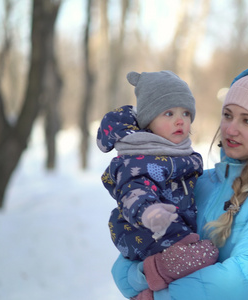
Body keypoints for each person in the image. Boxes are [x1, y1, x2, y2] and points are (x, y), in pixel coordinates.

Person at [111, 66, 248, 300]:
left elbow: (243, 279)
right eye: (227, 115)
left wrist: (158, 296)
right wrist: (152, 271)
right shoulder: (196, 181)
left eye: (247, 121)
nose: (231, 129)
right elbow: (122, 268)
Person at [97, 70, 219, 300]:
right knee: (204, 258)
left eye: (186, 112)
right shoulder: (140, 157)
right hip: (143, 230)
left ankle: (147, 294)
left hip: (169, 231)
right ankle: (158, 271)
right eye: (169, 113)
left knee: (194, 266)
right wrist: (149, 211)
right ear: (148, 120)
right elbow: (134, 190)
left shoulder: (178, 154)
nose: (180, 120)